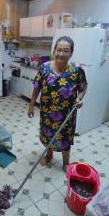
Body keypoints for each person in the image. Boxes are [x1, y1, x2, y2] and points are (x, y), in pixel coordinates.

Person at [27, 36, 87, 172]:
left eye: (66, 51)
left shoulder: (77, 70)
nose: (61, 53)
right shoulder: (45, 68)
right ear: (54, 51)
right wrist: (31, 105)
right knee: (48, 136)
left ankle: (66, 162)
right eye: (59, 50)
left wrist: (79, 99)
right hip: (47, 113)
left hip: (67, 115)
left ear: (71, 53)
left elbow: (83, 88)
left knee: (65, 138)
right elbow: (37, 87)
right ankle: (49, 156)